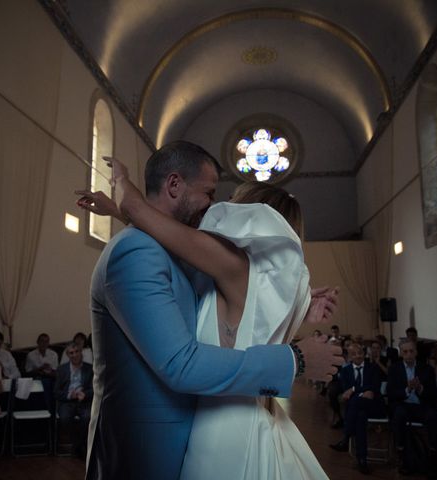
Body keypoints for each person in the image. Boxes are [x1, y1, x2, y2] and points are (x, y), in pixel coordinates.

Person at [76, 142, 342, 480]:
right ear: (174, 184)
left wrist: (125, 194)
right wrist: (297, 323)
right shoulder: (147, 252)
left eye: (228, 201)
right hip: (152, 444)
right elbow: (183, 360)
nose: (217, 206)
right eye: (211, 193)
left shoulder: (224, 265)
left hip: (218, 432)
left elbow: (154, 220)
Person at [329, 343, 386, 475]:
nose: (358, 356)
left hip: (374, 406)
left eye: (360, 352)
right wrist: (363, 391)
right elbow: (345, 390)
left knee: (355, 401)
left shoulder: (373, 368)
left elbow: (375, 388)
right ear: (349, 357)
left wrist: (354, 389)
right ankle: (362, 459)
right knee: (360, 415)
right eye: (353, 354)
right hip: (358, 409)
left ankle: (346, 437)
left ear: (364, 353)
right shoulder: (346, 370)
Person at [387, 339, 437, 475]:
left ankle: (433, 453)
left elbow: (433, 394)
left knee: (433, 416)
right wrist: (407, 389)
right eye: (405, 352)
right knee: (399, 414)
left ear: (416, 352)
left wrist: (420, 388)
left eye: (411, 351)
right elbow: (391, 393)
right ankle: (401, 452)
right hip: (402, 404)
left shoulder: (427, 369)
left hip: (420, 405)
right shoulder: (394, 369)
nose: (408, 355)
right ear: (401, 354)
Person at [55, 342, 93, 458]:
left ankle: (77, 446)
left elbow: (95, 389)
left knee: (87, 417)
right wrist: (69, 395)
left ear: (81, 353)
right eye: (71, 353)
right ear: (68, 355)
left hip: (83, 401)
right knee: (65, 418)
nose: (74, 355)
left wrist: (85, 394)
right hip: (67, 402)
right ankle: (79, 445)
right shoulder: (62, 370)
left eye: (77, 352)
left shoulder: (90, 368)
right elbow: (56, 392)